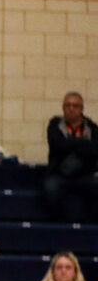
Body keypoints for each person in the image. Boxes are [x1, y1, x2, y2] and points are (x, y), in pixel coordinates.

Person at [43, 92, 98, 222]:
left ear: (81, 109)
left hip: (85, 175)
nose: (71, 109)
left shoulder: (93, 128)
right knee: (50, 188)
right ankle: (58, 224)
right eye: (67, 105)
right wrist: (83, 142)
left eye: (75, 105)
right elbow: (57, 145)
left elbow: (94, 150)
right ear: (63, 108)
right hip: (59, 175)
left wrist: (68, 144)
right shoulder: (54, 125)